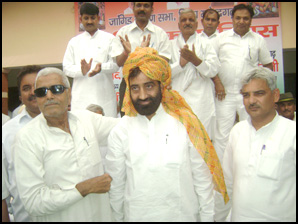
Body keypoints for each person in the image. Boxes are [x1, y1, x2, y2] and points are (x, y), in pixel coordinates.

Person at [106, 47, 229, 222]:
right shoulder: (121, 131)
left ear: (163, 86)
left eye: (148, 86)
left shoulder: (186, 124)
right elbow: (116, 188)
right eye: (135, 88)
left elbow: (202, 181)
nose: (142, 96)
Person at [13, 67, 119, 222]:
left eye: (56, 89)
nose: (49, 96)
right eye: (42, 92)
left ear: (69, 94)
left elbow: (125, 128)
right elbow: (33, 202)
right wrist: (82, 189)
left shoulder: (86, 120)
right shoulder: (26, 138)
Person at [215, 67, 296, 222]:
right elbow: (227, 184)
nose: (251, 101)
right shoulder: (237, 132)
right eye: (246, 95)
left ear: (275, 95)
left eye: (259, 93)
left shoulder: (292, 132)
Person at [212, 4, 273, 163]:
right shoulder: (221, 39)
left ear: (251, 20)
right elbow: (211, 64)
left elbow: (268, 65)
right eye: (238, 18)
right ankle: (222, 175)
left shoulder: (258, 40)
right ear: (232, 19)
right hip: (224, 94)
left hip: (248, 96)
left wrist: (262, 89)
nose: (241, 21)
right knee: (222, 135)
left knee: (251, 129)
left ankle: (250, 164)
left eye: (245, 18)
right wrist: (218, 83)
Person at [111, 2, 171, 116]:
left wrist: (143, 54)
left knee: (155, 119)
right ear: (133, 8)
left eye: (146, 6)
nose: (142, 9)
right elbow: (118, 62)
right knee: (128, 121)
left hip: (153, 84)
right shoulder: (123, 32)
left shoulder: (160, 34)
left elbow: (164, 63)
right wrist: (125, 53)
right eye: (138, 5)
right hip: (128, 83)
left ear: (152, 9)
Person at [170, 9, 220, 140]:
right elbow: (164, 73)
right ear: (179, 25)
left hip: (201, 100)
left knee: (201, 142)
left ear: (197, 24)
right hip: (178, 98)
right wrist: (180, 64)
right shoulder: (170, 45)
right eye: (184, 20)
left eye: (191, 20)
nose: (187, 23)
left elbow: (214, 69)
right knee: (179, 141)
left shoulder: (205, 43)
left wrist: (195, 60)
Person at [63, 3, 119, 117]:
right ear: (80, 19)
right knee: (83, 131)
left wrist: (101, 68)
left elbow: (115, 65)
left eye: (93, 18)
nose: (89, 21)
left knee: (107, 130)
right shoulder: (74, 42)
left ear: (98, 18)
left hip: (104, 97)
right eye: (86, 18)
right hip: (81, 100)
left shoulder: (110, 39)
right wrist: (81, 70)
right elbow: (66, 68)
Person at [2, 65, 43, 222]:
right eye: (26, 88)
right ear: (20, 97)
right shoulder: (7, 132)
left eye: (38, 86)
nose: (33, 92)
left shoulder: (68, 125)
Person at [199, 9, 225, 102]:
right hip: (201, 86)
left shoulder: (223, 39)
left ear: (218, 23)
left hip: (222, 87)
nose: (210, 23)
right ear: (202, 21)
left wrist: (218, 82)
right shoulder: (195, 39)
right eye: (207, 19)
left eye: (213, 20)